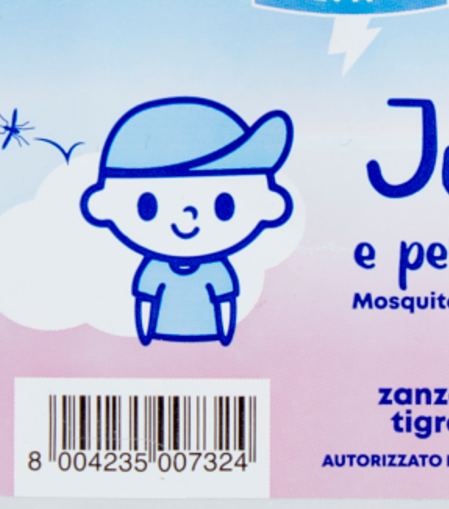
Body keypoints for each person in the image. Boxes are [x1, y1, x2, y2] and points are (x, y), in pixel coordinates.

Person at [81, 97, 294, 345]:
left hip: (211, 340)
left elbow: (224, 302)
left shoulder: (215, 268)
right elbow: (146, 301)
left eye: (223, 207)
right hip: (159, 341)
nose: (187, 218)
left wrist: (225, 335)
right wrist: (145, 335)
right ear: (104, 204)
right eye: (149, 207)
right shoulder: (155, 268)